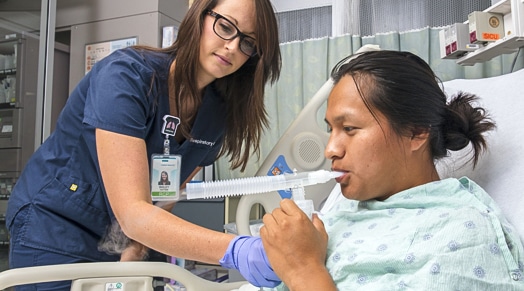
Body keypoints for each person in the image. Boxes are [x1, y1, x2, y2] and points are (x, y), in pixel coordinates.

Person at [6, 0, 282, 289]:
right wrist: (236, 250)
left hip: (131, 237)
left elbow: (164, 195)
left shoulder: (218, 114)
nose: (233, 47)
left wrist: (134, 252)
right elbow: (134, 213)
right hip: (57, 225)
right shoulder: (126, 77)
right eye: (225, 27)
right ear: (198, 17)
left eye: (248, 43)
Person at [260, 50, 524, 290]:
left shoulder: (462, 235)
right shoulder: (345, 215)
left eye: (349, 128)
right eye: (331, 129)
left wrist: (304, 270)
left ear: (416, 132)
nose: (330, 150)